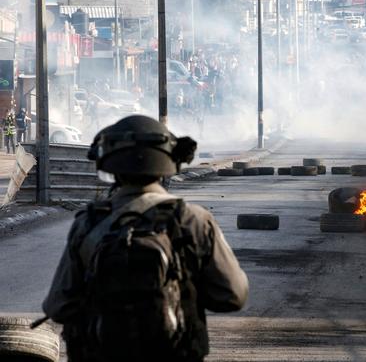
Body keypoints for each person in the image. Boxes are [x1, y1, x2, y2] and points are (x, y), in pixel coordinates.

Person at [42, 115, 249, 362]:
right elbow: (232, 296)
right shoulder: (192, 220)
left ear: (111, 164)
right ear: (168, 161)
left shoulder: (89, 223)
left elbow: (58, 306)